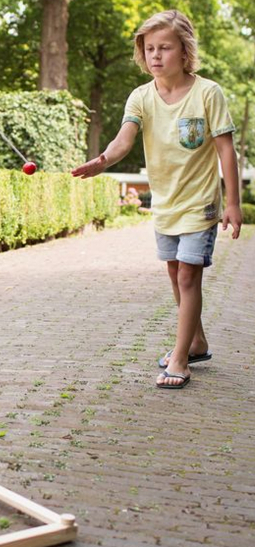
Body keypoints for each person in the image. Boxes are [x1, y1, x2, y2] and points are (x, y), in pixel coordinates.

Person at [71, 9, 242, 389]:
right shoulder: (141, 97)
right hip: (165, 202)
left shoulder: (208, 93)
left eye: (164, 47)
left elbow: (225, 150)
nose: (156, 55)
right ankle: (196, 342)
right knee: (174, 272)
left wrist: (232, 202)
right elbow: (124, 139)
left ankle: (180, 360)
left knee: (188, 274)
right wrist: (103, 160)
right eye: (149, 48)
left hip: (200, 201)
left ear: (185, 51)